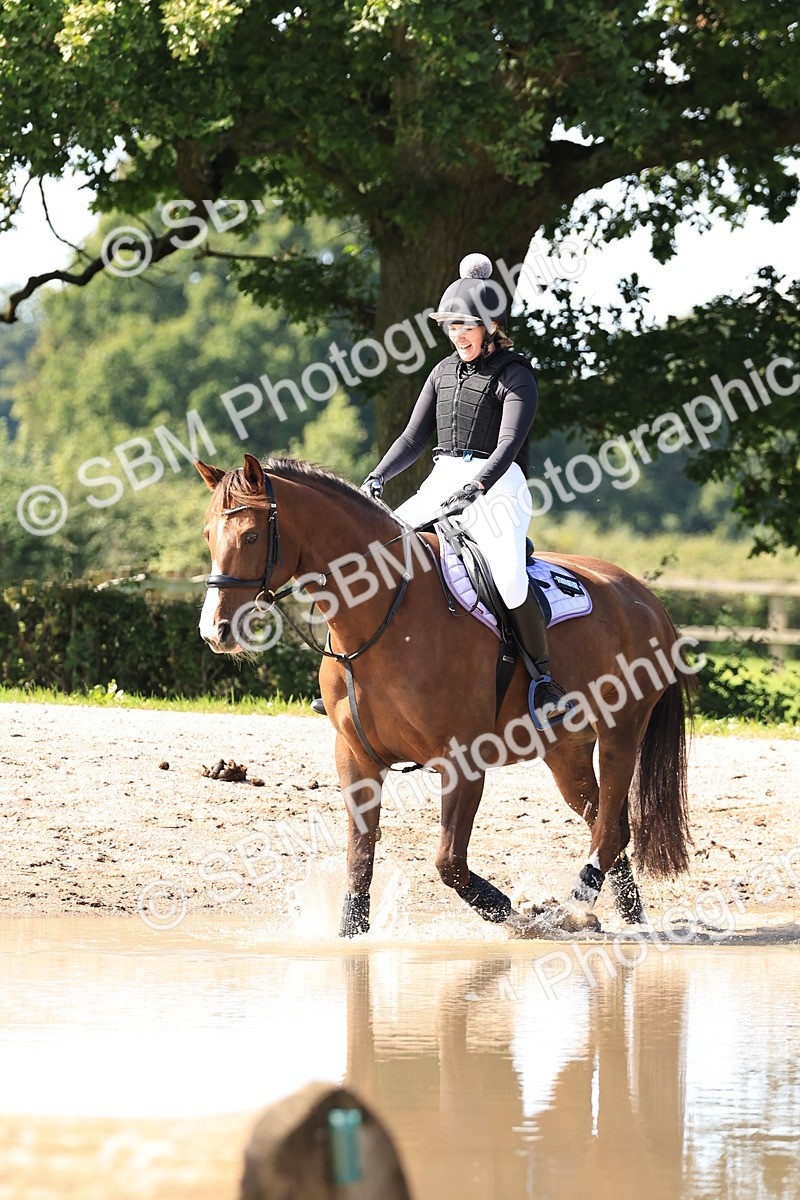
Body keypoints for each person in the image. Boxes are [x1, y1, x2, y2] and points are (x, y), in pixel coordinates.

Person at [310, 253, 570, 724]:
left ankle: (544, 682)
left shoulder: (516, 375)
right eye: (451, 327)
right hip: (442, 478)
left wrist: (478, 487)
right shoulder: (442, 373)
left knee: (510, 579)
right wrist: (379, 475)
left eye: (466, 326)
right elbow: (413, 438)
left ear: (490, 324)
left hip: (499, 485)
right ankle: (351, 671)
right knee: (375, 555)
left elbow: (510, 442)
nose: (458, 335)